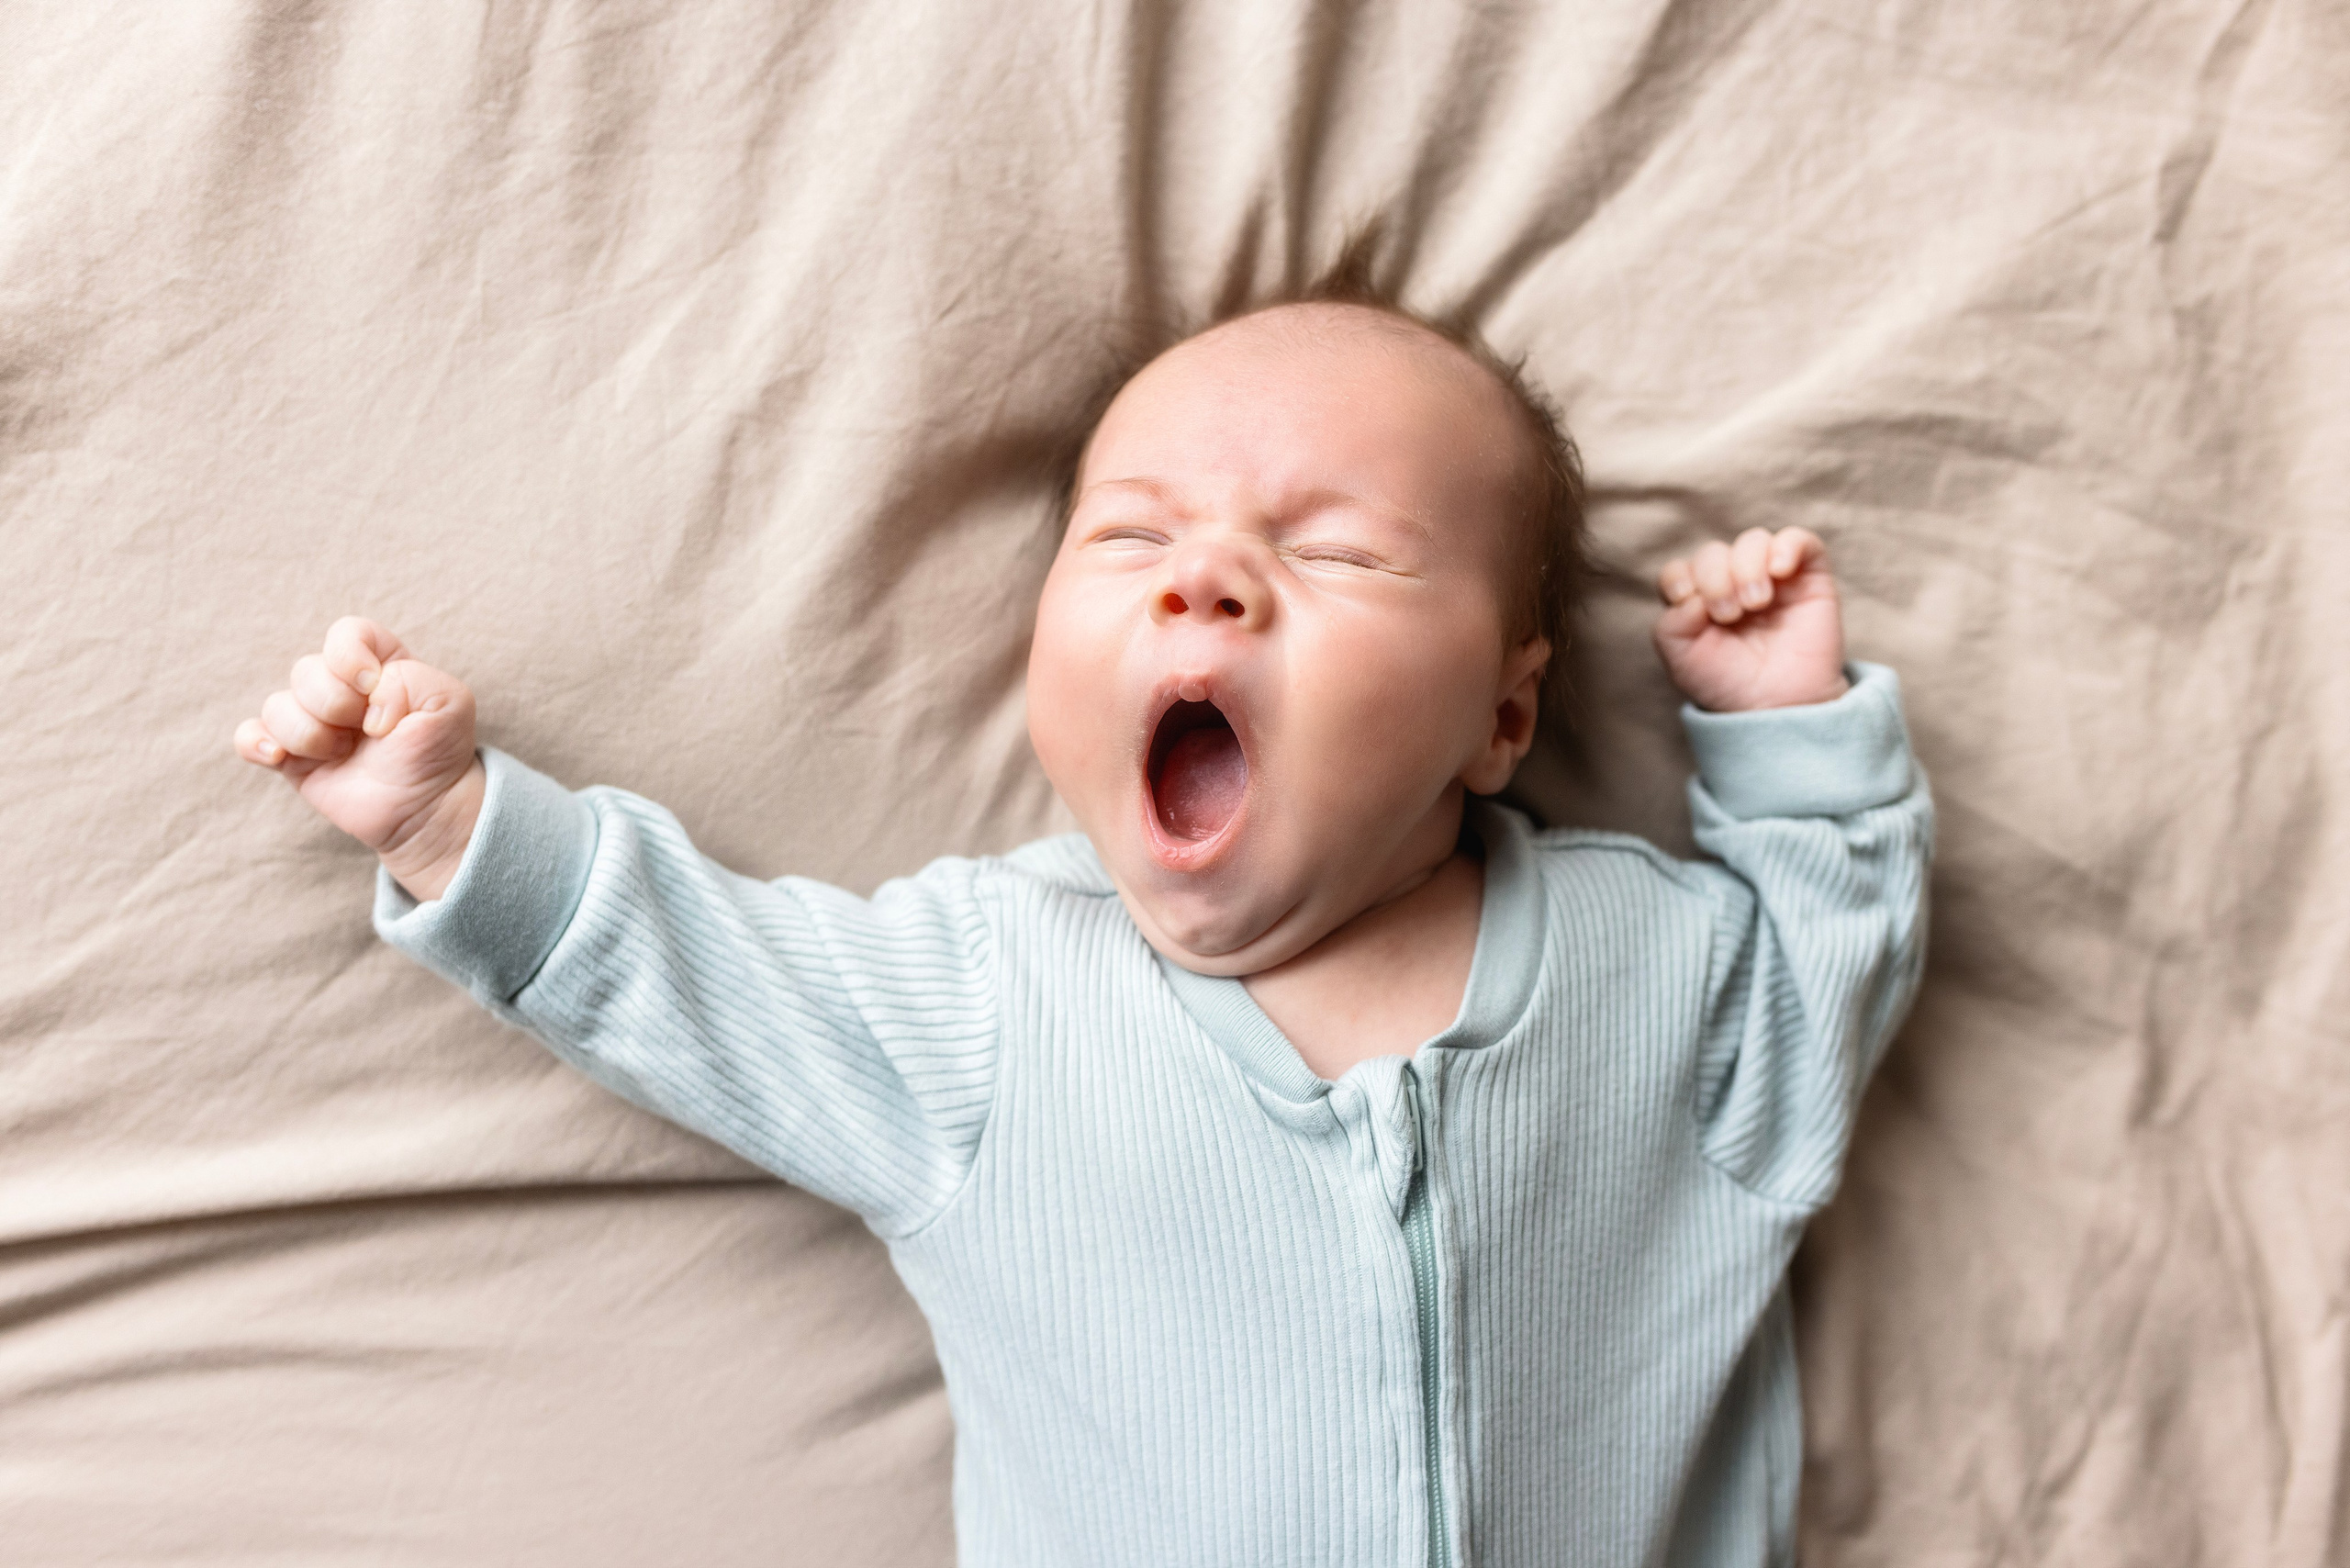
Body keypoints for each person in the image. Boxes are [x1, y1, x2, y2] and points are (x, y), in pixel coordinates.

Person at [234, 278, 1930, 1567]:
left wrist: (1788, 733)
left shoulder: (1656, 969)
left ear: (1504, 713)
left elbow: (1828, 969)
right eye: (1132, 536)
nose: (1207, 577)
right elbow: (696, 977)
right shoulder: (988, 1002)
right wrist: (456, 830)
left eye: (1340, 554)